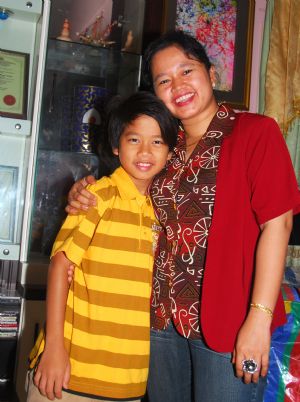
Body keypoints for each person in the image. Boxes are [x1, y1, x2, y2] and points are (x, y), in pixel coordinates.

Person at [65, 31, 300, 402]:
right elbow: (121, 191)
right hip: (160, 321)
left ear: (211, 73)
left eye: (186, 71)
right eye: (163, 80)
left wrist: (258, 319)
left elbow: (279, 223)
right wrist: (82, 191)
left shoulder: (255, 132)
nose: (177, 85)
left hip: (228, 324)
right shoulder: (163, 148)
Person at [27, 91, 178, 402]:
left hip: (128, 380)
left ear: (170, 151)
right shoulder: (98, 197)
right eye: (134, 140)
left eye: (157, 142)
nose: (145, 151)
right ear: (115, 145)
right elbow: (60, 265)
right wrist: (54, 347)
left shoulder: (163, 211)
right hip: (69, 372)